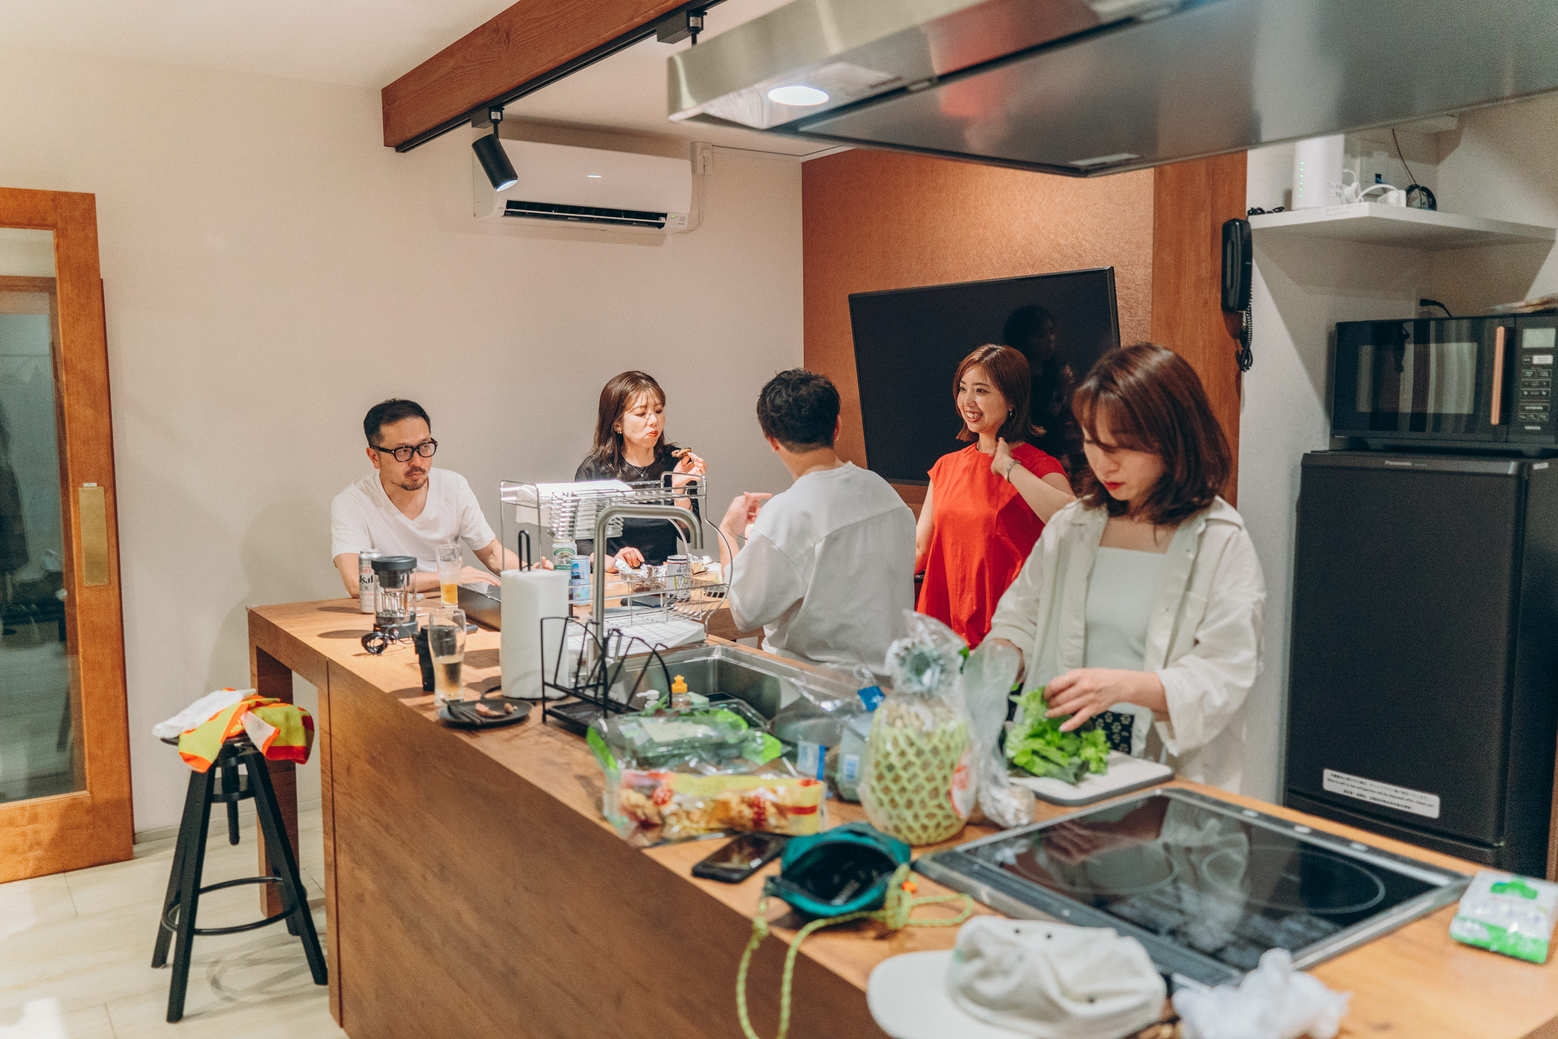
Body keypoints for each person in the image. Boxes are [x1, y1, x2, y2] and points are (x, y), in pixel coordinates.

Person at [986, 344, 1265, 791]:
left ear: (1174, 439)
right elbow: (1022, 616)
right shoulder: (1074, 526)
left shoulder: (1220, 540)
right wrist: (999, 654)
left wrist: (1124, 687)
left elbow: (1225, 670)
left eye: (1122, 448)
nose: (1103, 464)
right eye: (1093, 444)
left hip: (1167, 768)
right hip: (1059, 756)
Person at [718, 369, 915, 673]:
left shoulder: (788, 512)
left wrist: (728, 533)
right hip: (888, 686)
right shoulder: (885, 494)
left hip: (814, 690)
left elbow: (744, 611)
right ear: (837, 426)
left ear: (771, 440)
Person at [915, 344, 1075, 647]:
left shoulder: (1038, 467)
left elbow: (1073, 520)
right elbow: (920, 548)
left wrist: (1011, 468)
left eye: (982, 391)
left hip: (1007, 632)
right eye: (963, 389)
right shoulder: (946, 467)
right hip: (947, 631)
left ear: (1012, 399)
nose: (968, 401)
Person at [330, 399, 520, 598]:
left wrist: (531, 574)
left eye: (425, 447)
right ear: (374, 457)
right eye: (402, 451)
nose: (418, 461)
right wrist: (449, 577)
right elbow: (357, 583)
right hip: (389, 611)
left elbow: (492, 554)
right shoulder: (351, 503)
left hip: (449, 606)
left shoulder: (453, 486)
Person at [574, 370, 705, 571]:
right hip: (614, 581)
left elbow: (689, 534)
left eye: (659, 411)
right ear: (617, 423)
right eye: (641, 414)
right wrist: (614, 562)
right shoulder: (594, 470)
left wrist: (679, 489)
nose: (653, 421)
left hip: (665, 578)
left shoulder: (675, 463)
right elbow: (582, 543)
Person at [1003, 304, 1081, 473]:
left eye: (1051, 332)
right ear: (1022, 340)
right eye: (1040, 335)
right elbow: (1039, 420)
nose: (1049, 339)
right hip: (1030, 457)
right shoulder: (1016, 379)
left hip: (1061, 452)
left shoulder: (1057, 369)